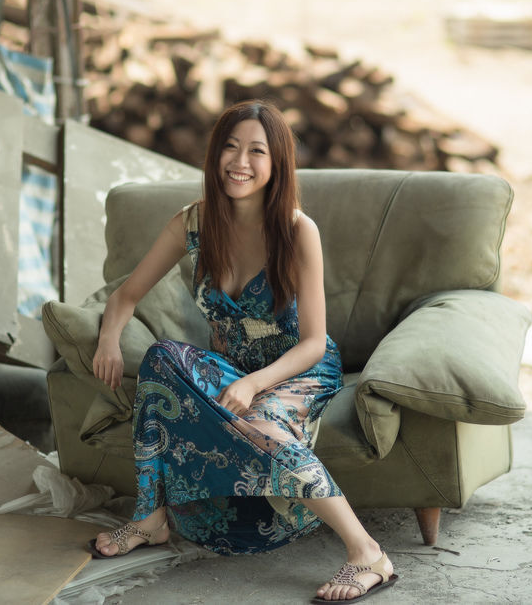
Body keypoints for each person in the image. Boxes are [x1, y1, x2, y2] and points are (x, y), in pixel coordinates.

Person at [89, 100, 398, 602]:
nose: (240, 161)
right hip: (232, 368)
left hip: (298, 370)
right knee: (162, 358)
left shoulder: (298, 230)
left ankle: (368, 554)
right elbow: (126, 295)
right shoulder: (192, 223)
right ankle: (150, 519)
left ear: (277, 163)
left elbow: (313, 343)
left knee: (260, 424)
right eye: (230, 148)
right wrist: (108, 341)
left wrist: (255, 384)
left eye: (257, 151)